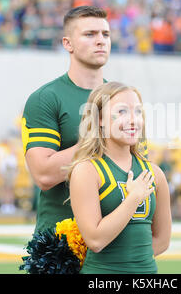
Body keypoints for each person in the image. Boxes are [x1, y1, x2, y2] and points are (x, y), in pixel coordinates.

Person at [22, 6, 113, 232]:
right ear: (68, 44)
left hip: (114, 244)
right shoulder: (45, 98)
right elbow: (43, 174)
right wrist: (101, 139)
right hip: (61, 244)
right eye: (90, 34)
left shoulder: (122, 99)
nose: (100, 41)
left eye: (105, 34)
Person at [67, 82, 172, 274]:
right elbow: (96, 241)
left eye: (138, 112)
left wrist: (132, 265)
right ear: (99, 119)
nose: (133, 120)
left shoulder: (155, 174)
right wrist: (133, 199)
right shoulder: (86, 171)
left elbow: (163, 241)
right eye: (122, 112)